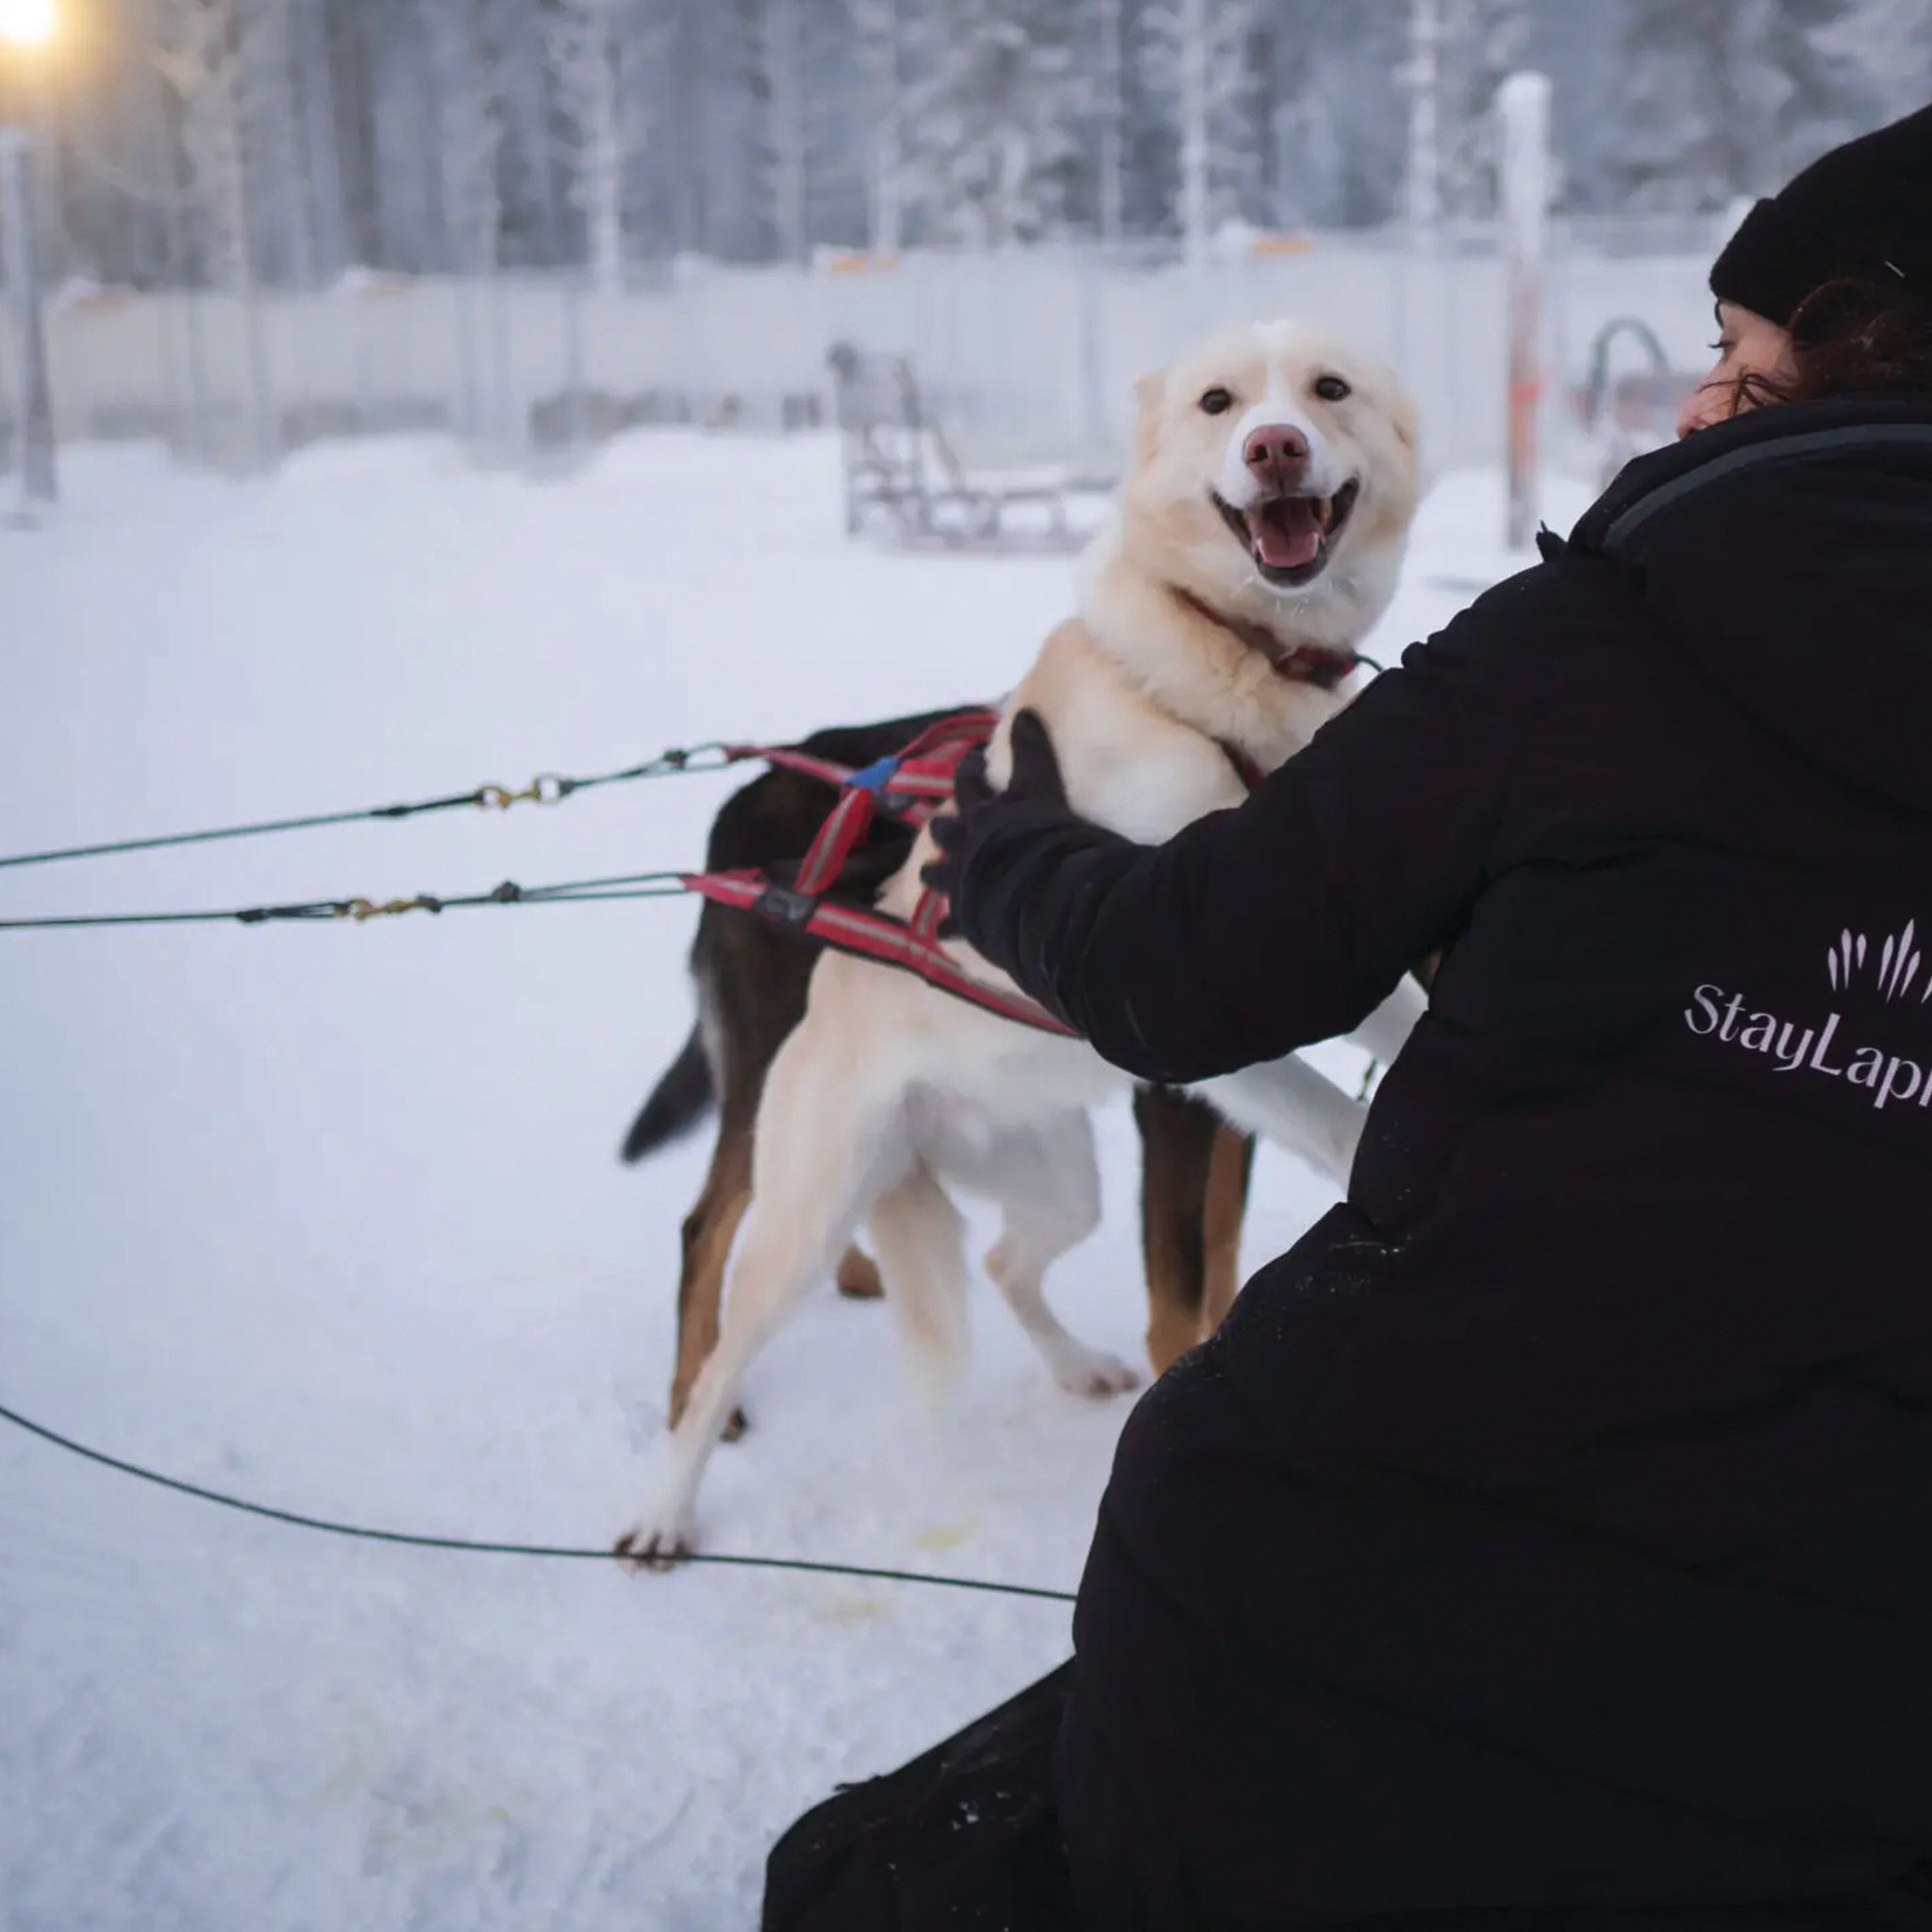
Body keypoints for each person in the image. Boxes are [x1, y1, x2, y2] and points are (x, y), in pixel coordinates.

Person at [764, 105, 1932, 1931]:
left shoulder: (1588, 644)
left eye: (1740, 361)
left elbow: (1174, 974)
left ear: (1867, 355)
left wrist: (999, 843)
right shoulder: (1569, 646)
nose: (1696, 404)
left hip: (1314, 1603)